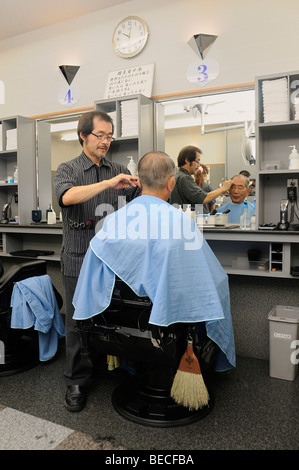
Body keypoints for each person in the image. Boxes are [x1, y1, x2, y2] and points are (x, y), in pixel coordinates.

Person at [73, 151, 236, 384]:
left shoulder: (110, 221)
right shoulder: (181, 222)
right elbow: (206, 280)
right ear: (171, 182)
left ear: (139, 181)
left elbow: (94, 277)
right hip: (164, 320)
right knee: (219, 284)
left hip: (122, 319)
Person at [54, 110, 140, 412]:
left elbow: (136, 202)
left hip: (113, 257)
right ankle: (77, 380)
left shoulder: (117, 169)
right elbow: (67, 198)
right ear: (83, 135)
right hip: (79, 255)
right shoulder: (67, 169)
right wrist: (108, 184)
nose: (105, 141)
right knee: (78, 322)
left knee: (115, 315)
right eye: (99, 135)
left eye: (109, 135)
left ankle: (115, 366)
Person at [169, 145, 232, 212]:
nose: (199, 165)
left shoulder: (177, 176)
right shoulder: (184, 178)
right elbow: (203, 199)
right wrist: (223, 188)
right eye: (197, 161)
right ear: (187, 160)